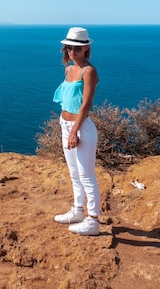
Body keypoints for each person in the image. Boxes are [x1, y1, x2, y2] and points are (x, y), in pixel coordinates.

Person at [52, 27, 101, 236]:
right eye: (69, 47)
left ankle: (93, 221)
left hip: (82, 129)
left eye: (77, 48)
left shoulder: (88, 71)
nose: (72, 51)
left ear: (86, 48)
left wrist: (74, 132)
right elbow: (67, 101)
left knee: (87, 175)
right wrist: (65, 125)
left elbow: (86, 105)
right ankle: (78, 211)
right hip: (66, 125)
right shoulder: (69, 69)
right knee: (74, 174)